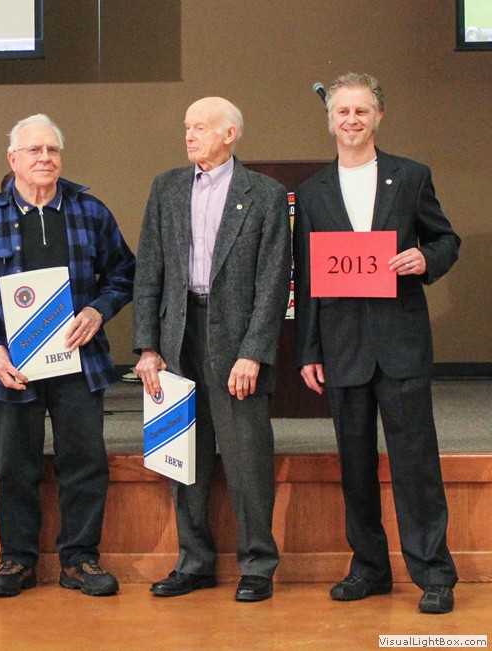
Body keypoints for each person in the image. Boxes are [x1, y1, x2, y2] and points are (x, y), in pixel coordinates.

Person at [293, 72, 460, 615]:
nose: (351, 120)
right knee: (355, 464)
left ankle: (434, 573)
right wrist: (308, 350)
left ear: (378, 116)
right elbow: (307, 277)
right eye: (342, 111)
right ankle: (368, 567)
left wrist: (426, 259)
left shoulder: (411, 177)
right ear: (330, 119)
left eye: (361, 111)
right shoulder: (312, 192)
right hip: (342, 347)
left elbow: (446, 239)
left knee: (416, 463)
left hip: (401, 343)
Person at [0, 114, 135, 597]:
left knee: (85, 463)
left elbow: (124, 272)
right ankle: (16, 560)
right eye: (34, 150)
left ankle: (80, 560)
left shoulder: (90, 212)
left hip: (79, 365)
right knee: (14, 468)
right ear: (12, 159)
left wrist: (98, 311)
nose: (45, 158)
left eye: (52, 150)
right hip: (10, 369)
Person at [133, 97, 289, 603]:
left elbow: (273, 282)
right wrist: (147, 346)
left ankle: (258, 565)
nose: (190, 135)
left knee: (247, 458)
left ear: (230, 134)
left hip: (238, 342)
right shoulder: (166, 187)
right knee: (183, 456)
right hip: (178, 337)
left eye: (200, 127)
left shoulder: (264, 194)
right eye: (187, 127)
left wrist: (254, 351)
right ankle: (194, 562)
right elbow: (149, 271)